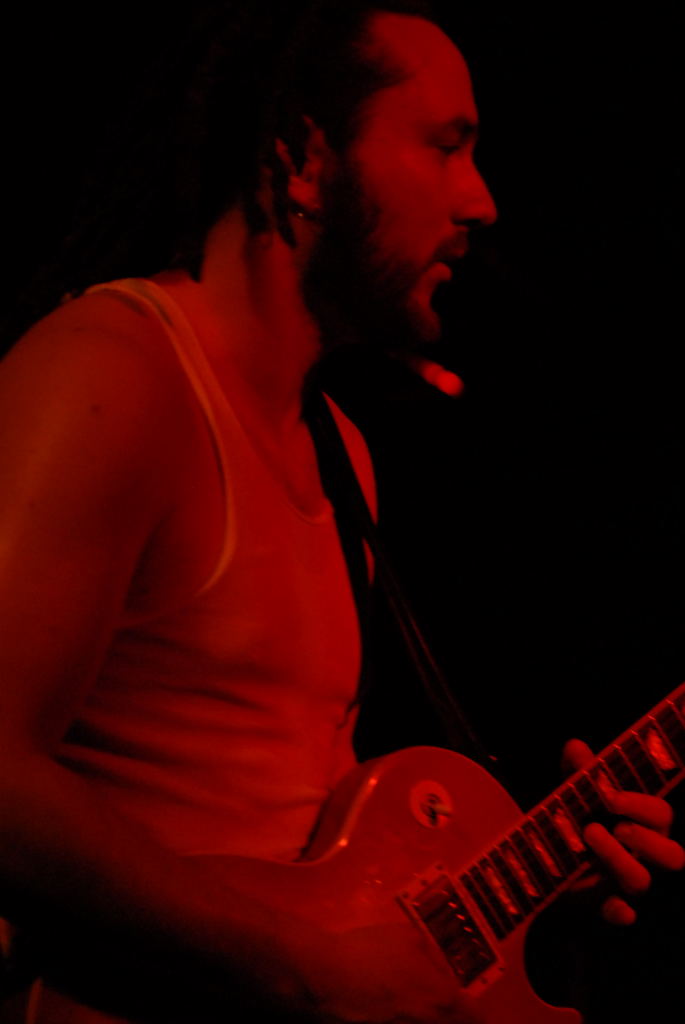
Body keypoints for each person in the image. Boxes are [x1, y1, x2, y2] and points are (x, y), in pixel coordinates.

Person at [0, 3, 682, 1022]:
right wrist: (303, 968)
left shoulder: (341, 452)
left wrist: (525, 897)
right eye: (446, 147)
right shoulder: (117, 372)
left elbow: (306, 853)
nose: (482, 201)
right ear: (302, 157)